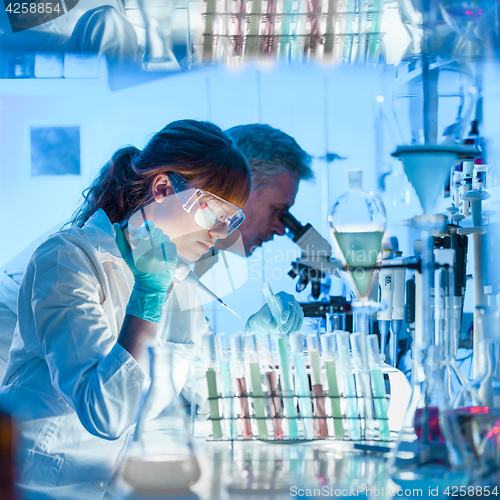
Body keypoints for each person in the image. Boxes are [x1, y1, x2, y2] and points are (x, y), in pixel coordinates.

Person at [0, 119, 303, 500]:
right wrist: (147, 297)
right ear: (162, 188)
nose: (221, 234)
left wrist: (253, 346)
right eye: (213, 213)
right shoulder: (69, 258)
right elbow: (106, 415)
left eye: (230, 220)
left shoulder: (179, 281)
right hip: (44, 489)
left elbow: (208, 392)